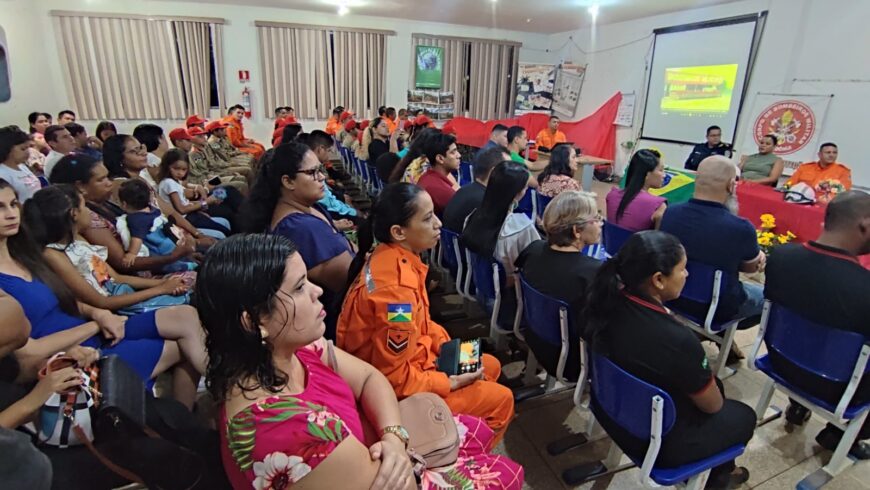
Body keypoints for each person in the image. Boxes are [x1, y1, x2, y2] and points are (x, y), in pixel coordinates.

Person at [197, 233, 523, 489]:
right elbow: (393, 374)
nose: (317, 292)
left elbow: (369, 377)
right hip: (404, 398)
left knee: (482, 391)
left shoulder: (289, 348)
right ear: (255, 321)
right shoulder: (287, 430)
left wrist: (394, 437)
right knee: (500, 437)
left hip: (384, 431)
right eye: (298, 288)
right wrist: (444, 383)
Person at [0, 179, 207, 407]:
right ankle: (187, 417)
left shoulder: (26, 256)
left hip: (98, 331)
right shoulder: (43, 258)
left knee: (186, 315)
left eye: (12, 204)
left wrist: (99, 315)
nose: (11, 214)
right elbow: (26, 356)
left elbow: (70, 300)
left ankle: (195, 410)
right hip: (70, 356)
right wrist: (97, 322)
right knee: (183, 345)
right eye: (1, 208)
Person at [338, 183, 516, 441]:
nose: (438, 224)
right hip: (395, 392)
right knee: (502, 400)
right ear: (399, 232)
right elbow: (396, 379)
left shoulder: (394, 256)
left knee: (489, 364)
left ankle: (461, 423)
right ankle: (463, 463)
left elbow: (421, 324)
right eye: (427, 218)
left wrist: (446, 349)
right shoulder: (395, 296)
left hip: (416, 361)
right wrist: (451, 382)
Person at [584, 230, 756, 489]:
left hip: (609, 411)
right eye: (683, 269)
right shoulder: (676, 339)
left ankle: (719, 474)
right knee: (743, 415)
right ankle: (717, 480)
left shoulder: (602, 302)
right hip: (653, 442)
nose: (687, 275)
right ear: (659, 280)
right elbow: (712, 406)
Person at [764, 191, 870, 459]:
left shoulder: (781, 257)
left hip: (779, 360)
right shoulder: (864, 287)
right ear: (865, 225)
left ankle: (797, 406)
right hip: (837, 386)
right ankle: (841, 434)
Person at [241, 143, 354, 338]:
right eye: (312, 172)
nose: (322, 177)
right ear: (288, 181)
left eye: (320, 170)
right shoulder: (300, 228)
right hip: (337, 321)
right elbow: (351, 280)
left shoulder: (309, 208)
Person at [24, 185, 190, 314]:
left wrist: (163, 283)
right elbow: (103, 302)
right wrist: (160, 289)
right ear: (74, 214)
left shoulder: (78, 241)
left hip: (126, 296)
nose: (89, 211)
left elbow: (116, 278)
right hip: (118, 311)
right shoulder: (54, 255)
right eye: (84, 206)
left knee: (192, 287)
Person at [49, 154, 199, 276]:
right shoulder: (88, 218)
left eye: (108, 177)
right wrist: (173, 257)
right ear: (81, 187)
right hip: (146, 274)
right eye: (101, 180)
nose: (109, 183)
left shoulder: (104, 203)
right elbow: (123, 262)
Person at [661, 156, 765, 324]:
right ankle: (720, 336)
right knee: (768, 299)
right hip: (717, 308)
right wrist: (760, 259)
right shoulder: (741, 228)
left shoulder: (670, 212)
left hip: (671, 295)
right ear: (731, 185)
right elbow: (749, 268)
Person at [515, 190, 602, 381]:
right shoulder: (594, 273)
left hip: (533, 337)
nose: (600, 223)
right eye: (595, 219)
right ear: (576, 231)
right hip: (572, 360)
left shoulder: (532, 250)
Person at [462, 161, 540, 326]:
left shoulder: (473, 216)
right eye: (525, 187)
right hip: (509, 305)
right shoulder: (520, 227)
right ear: (517, 193)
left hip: (481, 292)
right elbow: (537, 267)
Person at [117, 179, 198, 273]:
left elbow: (137, 239)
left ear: (124, 204)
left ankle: (189, 266)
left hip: (159, 248)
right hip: (170, 241)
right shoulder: (152, 210)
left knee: (167, 265)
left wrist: (131, 254)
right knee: (179, 258)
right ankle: (191, 261)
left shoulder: (135, 219)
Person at [156, 149, 233, 237]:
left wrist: (202, 204)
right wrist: (207, 201)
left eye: (184, 169)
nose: (180, 173)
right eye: (176, 168)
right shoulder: (168, 183)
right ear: (167, 166)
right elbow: (181, 209)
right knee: (224, 231)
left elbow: (185, 203)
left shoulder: (174, 182)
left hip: (191, 215)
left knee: (224, 225)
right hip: (186, 220)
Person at [299, 131, 360, 226]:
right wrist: (352, 212)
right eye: (329, 150)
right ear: (321, 149)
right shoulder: (309, 171)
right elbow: (328, 204)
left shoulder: (313, 169)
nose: (322, 176)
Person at [443, 146, 510, 233]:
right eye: (508, 168)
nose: (511, 173)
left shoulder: (463, 191)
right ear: (494, 172)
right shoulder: (486, 202)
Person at [606, 149, 667, 231]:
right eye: (661, 170)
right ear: (647, 174)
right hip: (638, 244)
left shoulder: (611, 195)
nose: (664, 175)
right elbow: (657, 240)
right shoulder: (659, 206)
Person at [415, 133, 461, 216]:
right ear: (440, 158)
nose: (459, 155)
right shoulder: (440, 189)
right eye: (453, 152)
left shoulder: (427, 177)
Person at [786, 142, 852, 192]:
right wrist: (785, 188)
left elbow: (844, 191)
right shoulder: (805, 167)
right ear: (819, 155)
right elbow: (790, 183)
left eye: (834, 153)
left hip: (824, 205)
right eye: (828, 152)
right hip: (800, 200)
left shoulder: (843, 171)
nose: (831, 155)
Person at [0, 126, 42, 203]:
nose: (27, 152)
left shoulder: (22, 166)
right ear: (7, 149)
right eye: (23, 149)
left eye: (28, 148)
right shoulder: (3, 174)